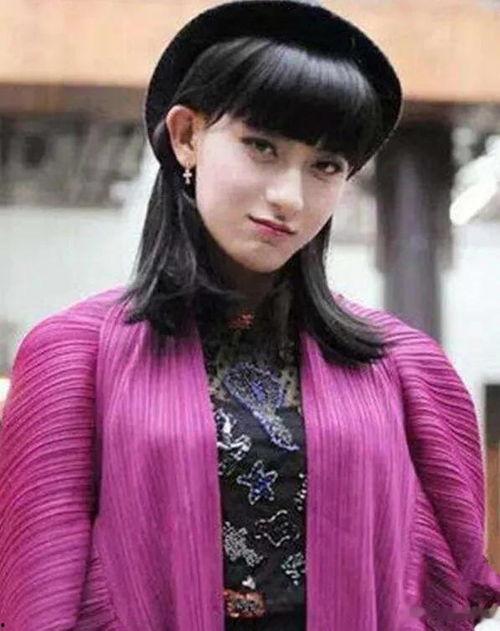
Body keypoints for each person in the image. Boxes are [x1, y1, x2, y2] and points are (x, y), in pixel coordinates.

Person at [0, 0, 499, 629]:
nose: (290, 197)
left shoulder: (405, 368)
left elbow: (436, 595)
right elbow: (38, 597)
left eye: (325, 166)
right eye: (262, 146)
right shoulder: (75, 358)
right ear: (187, 136)